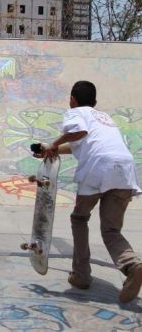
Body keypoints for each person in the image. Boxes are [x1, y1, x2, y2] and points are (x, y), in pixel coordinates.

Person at [34, 81, 142, 303]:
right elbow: (80, 142)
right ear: (95, 102)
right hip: (123, 170)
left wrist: (54, 143)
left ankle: (81, 275)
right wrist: (51, 149)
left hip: (97, 169)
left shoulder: (75, 113)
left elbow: (78, 132)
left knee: (80, 218)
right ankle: (132, 266)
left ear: (72, 99)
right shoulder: (104, 118)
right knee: (111, 230)